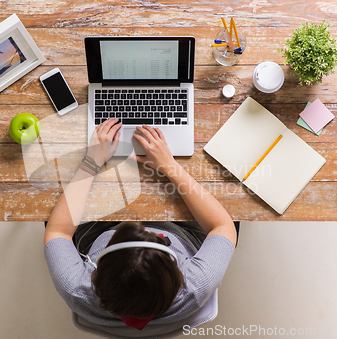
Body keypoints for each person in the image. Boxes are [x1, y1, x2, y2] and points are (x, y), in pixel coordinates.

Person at [44, 118, 238, 334]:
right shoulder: (194, 287)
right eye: (159, 239)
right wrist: (169, 166)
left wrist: (91, 161)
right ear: (177, 276)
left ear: (97, 273)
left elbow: (58, 230)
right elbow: (223, 226)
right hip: (184, 233)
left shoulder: (77, 289)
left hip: (98, 231)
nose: (142, 224)